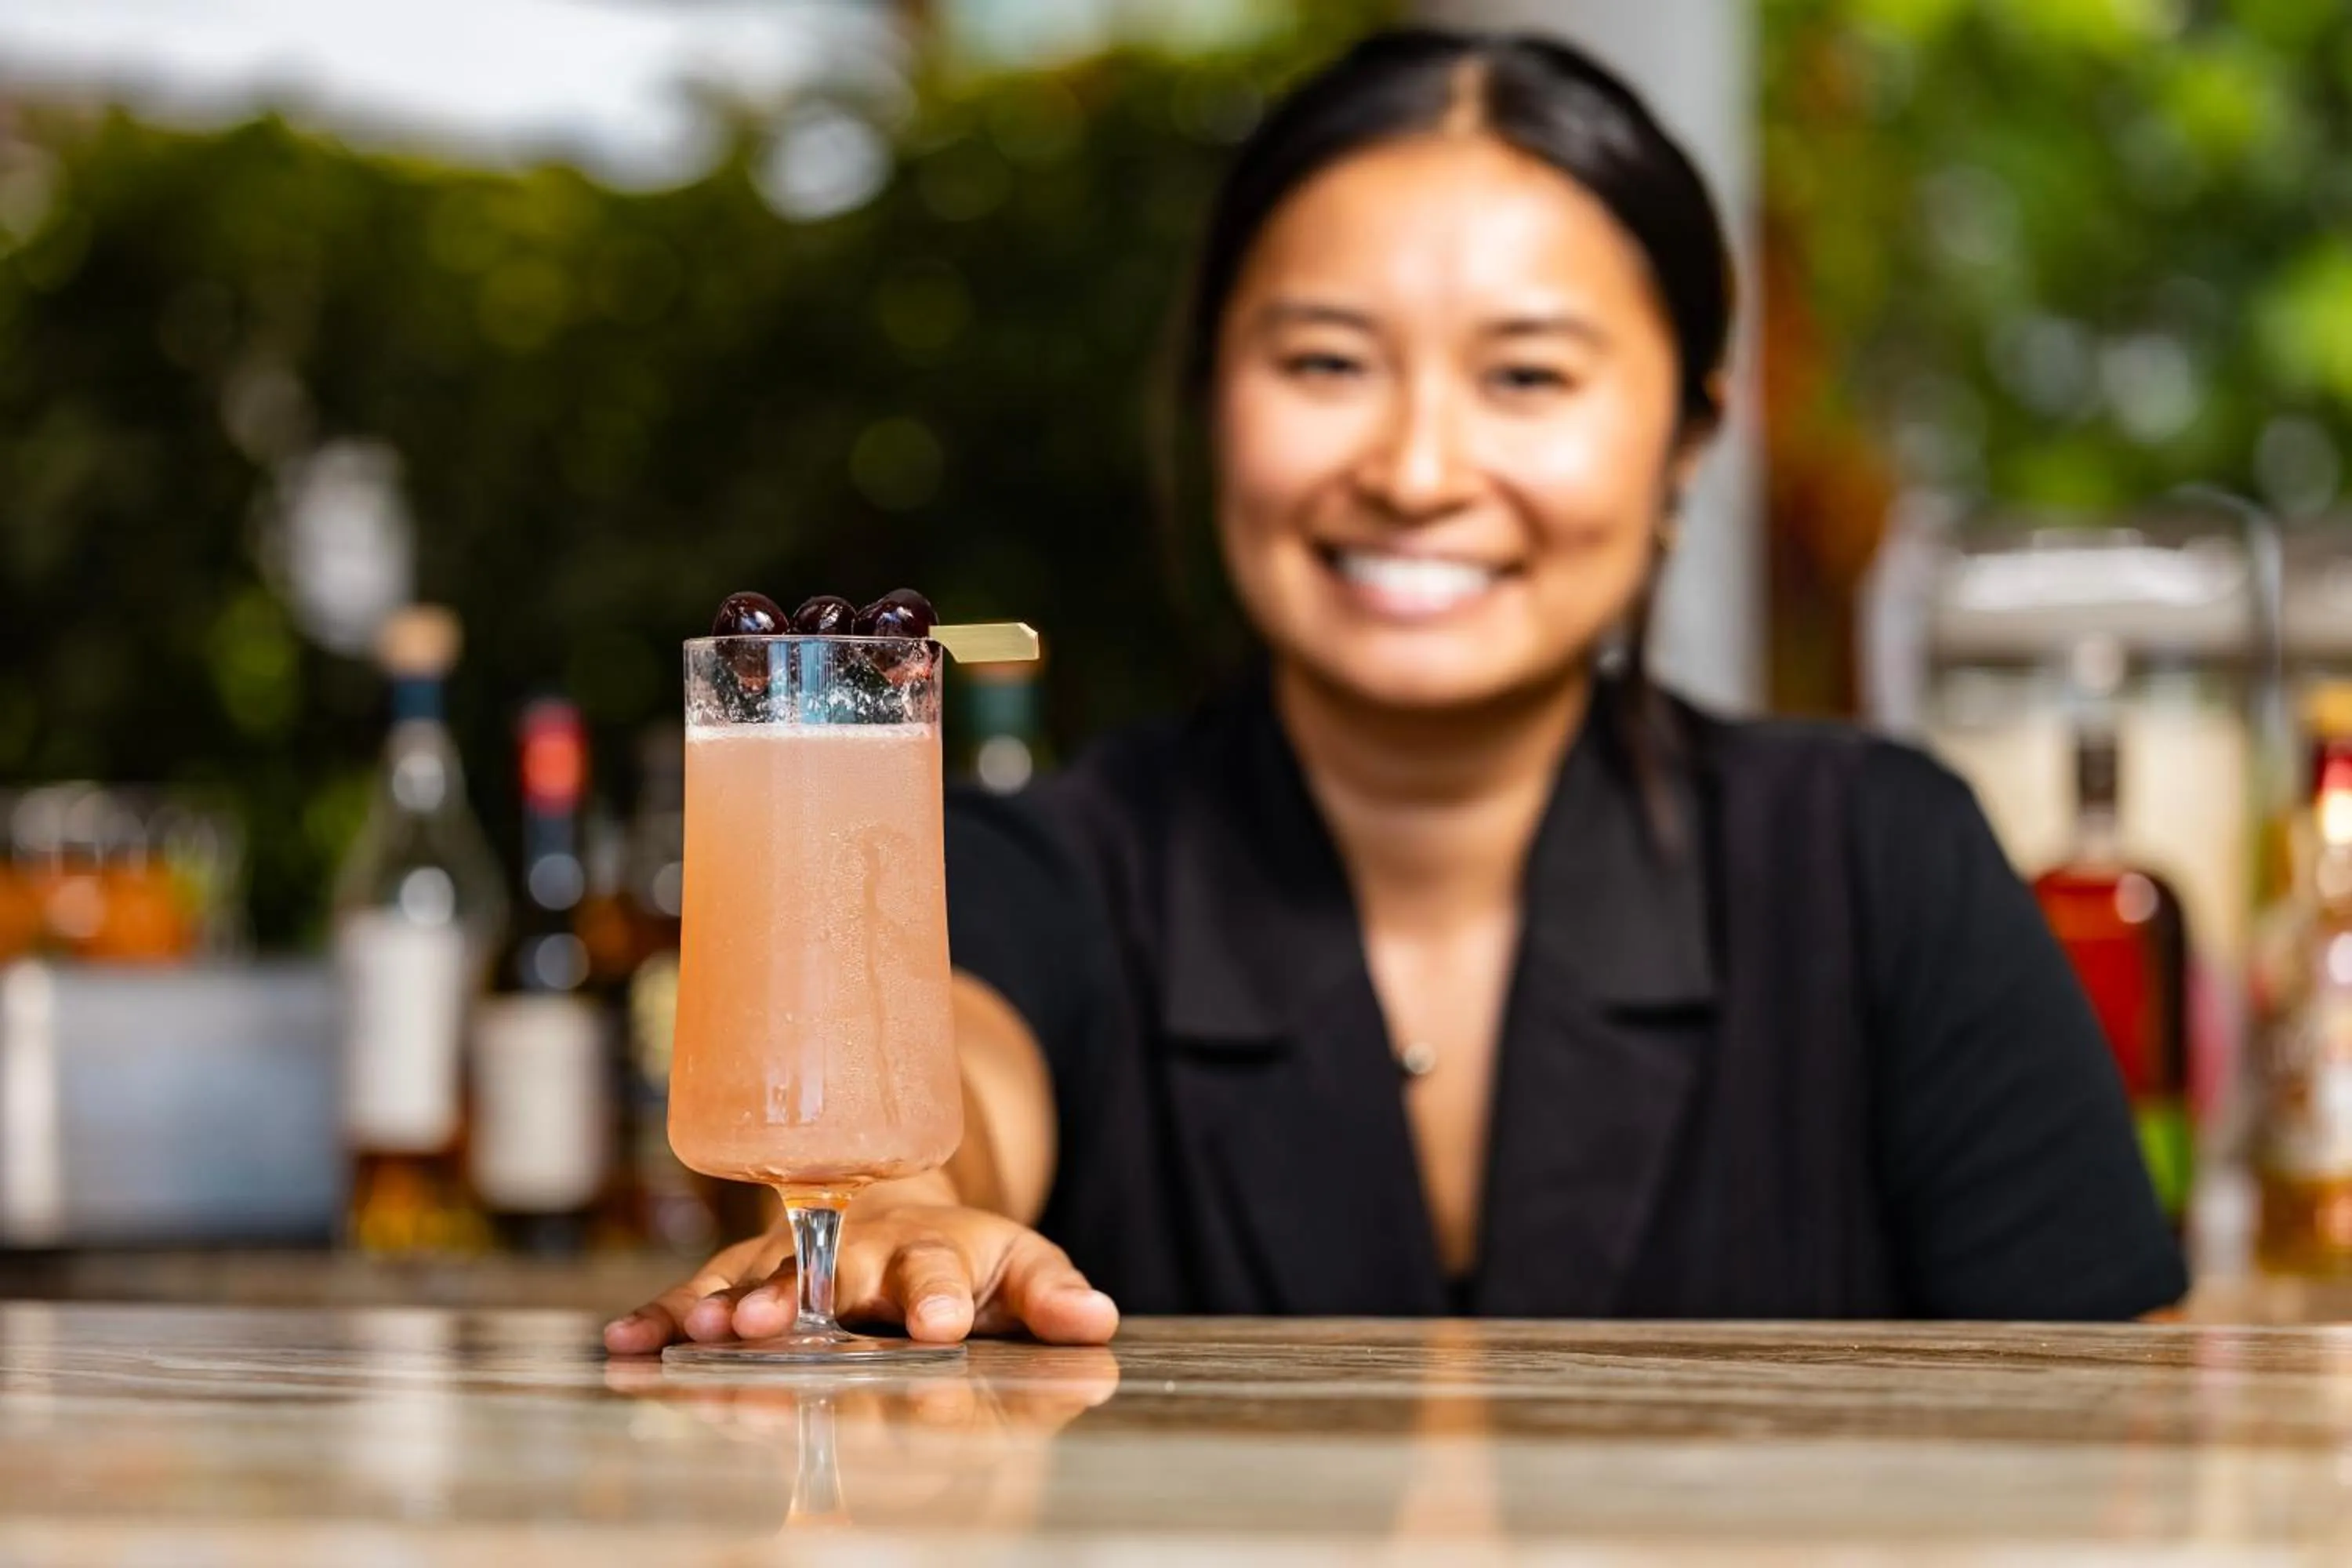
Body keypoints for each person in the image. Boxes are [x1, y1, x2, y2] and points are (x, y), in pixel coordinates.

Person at [604, 27, 2185, 1355]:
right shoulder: (1061, 867)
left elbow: (2120, 1439)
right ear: (1213, 396)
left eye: (1528, 377)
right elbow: (946, 1065)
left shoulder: (1879, 864)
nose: (1419, 471)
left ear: (1688, 441)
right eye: (1326, 364)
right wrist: (897, 1219)